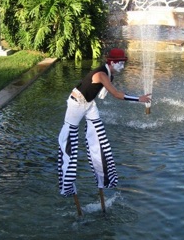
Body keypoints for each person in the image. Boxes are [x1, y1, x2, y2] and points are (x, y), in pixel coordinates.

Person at [58, 49, 151, 197]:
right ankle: (67, 182)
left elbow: (101, 93)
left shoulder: (109, 75)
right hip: (76, 105)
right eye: (120, 63)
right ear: (112, 63)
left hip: (89, 104)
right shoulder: (101, 74)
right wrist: (139, 99)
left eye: (123, 63)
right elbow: (116, 94)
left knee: (98, 135)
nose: (122, 66)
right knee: (70, 138)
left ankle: (103, 177)